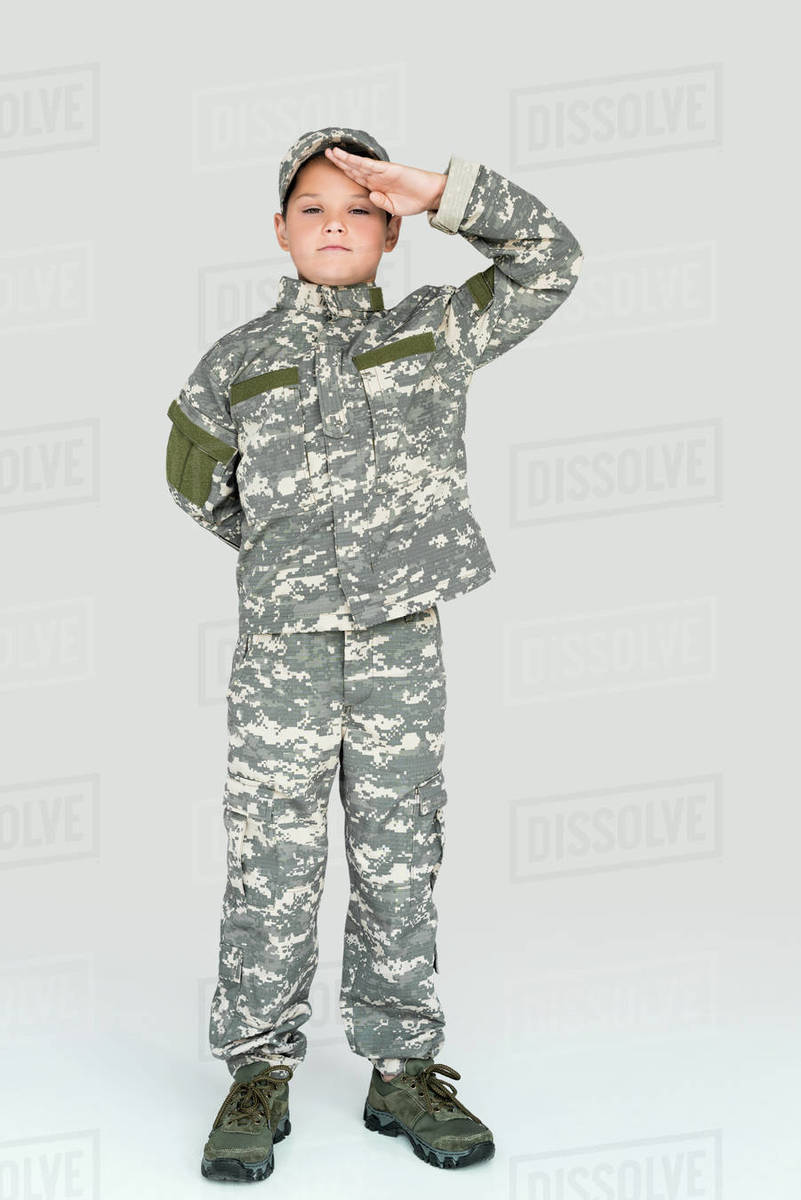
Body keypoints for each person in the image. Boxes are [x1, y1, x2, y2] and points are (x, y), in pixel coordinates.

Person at [165, 126, 583, 1182]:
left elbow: (552, 260)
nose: (336, 221)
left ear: (393, 230)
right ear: (279, 230)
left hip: (400, 646)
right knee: (273, 865)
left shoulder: (438, 330)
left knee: (401, 856)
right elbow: (199, 482)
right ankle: (256, 1070)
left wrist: (446, 188)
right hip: (284, 657)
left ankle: (403, 1068)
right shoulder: (236, 363)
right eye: (312, 206)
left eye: (358, 206)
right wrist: (293, 564)